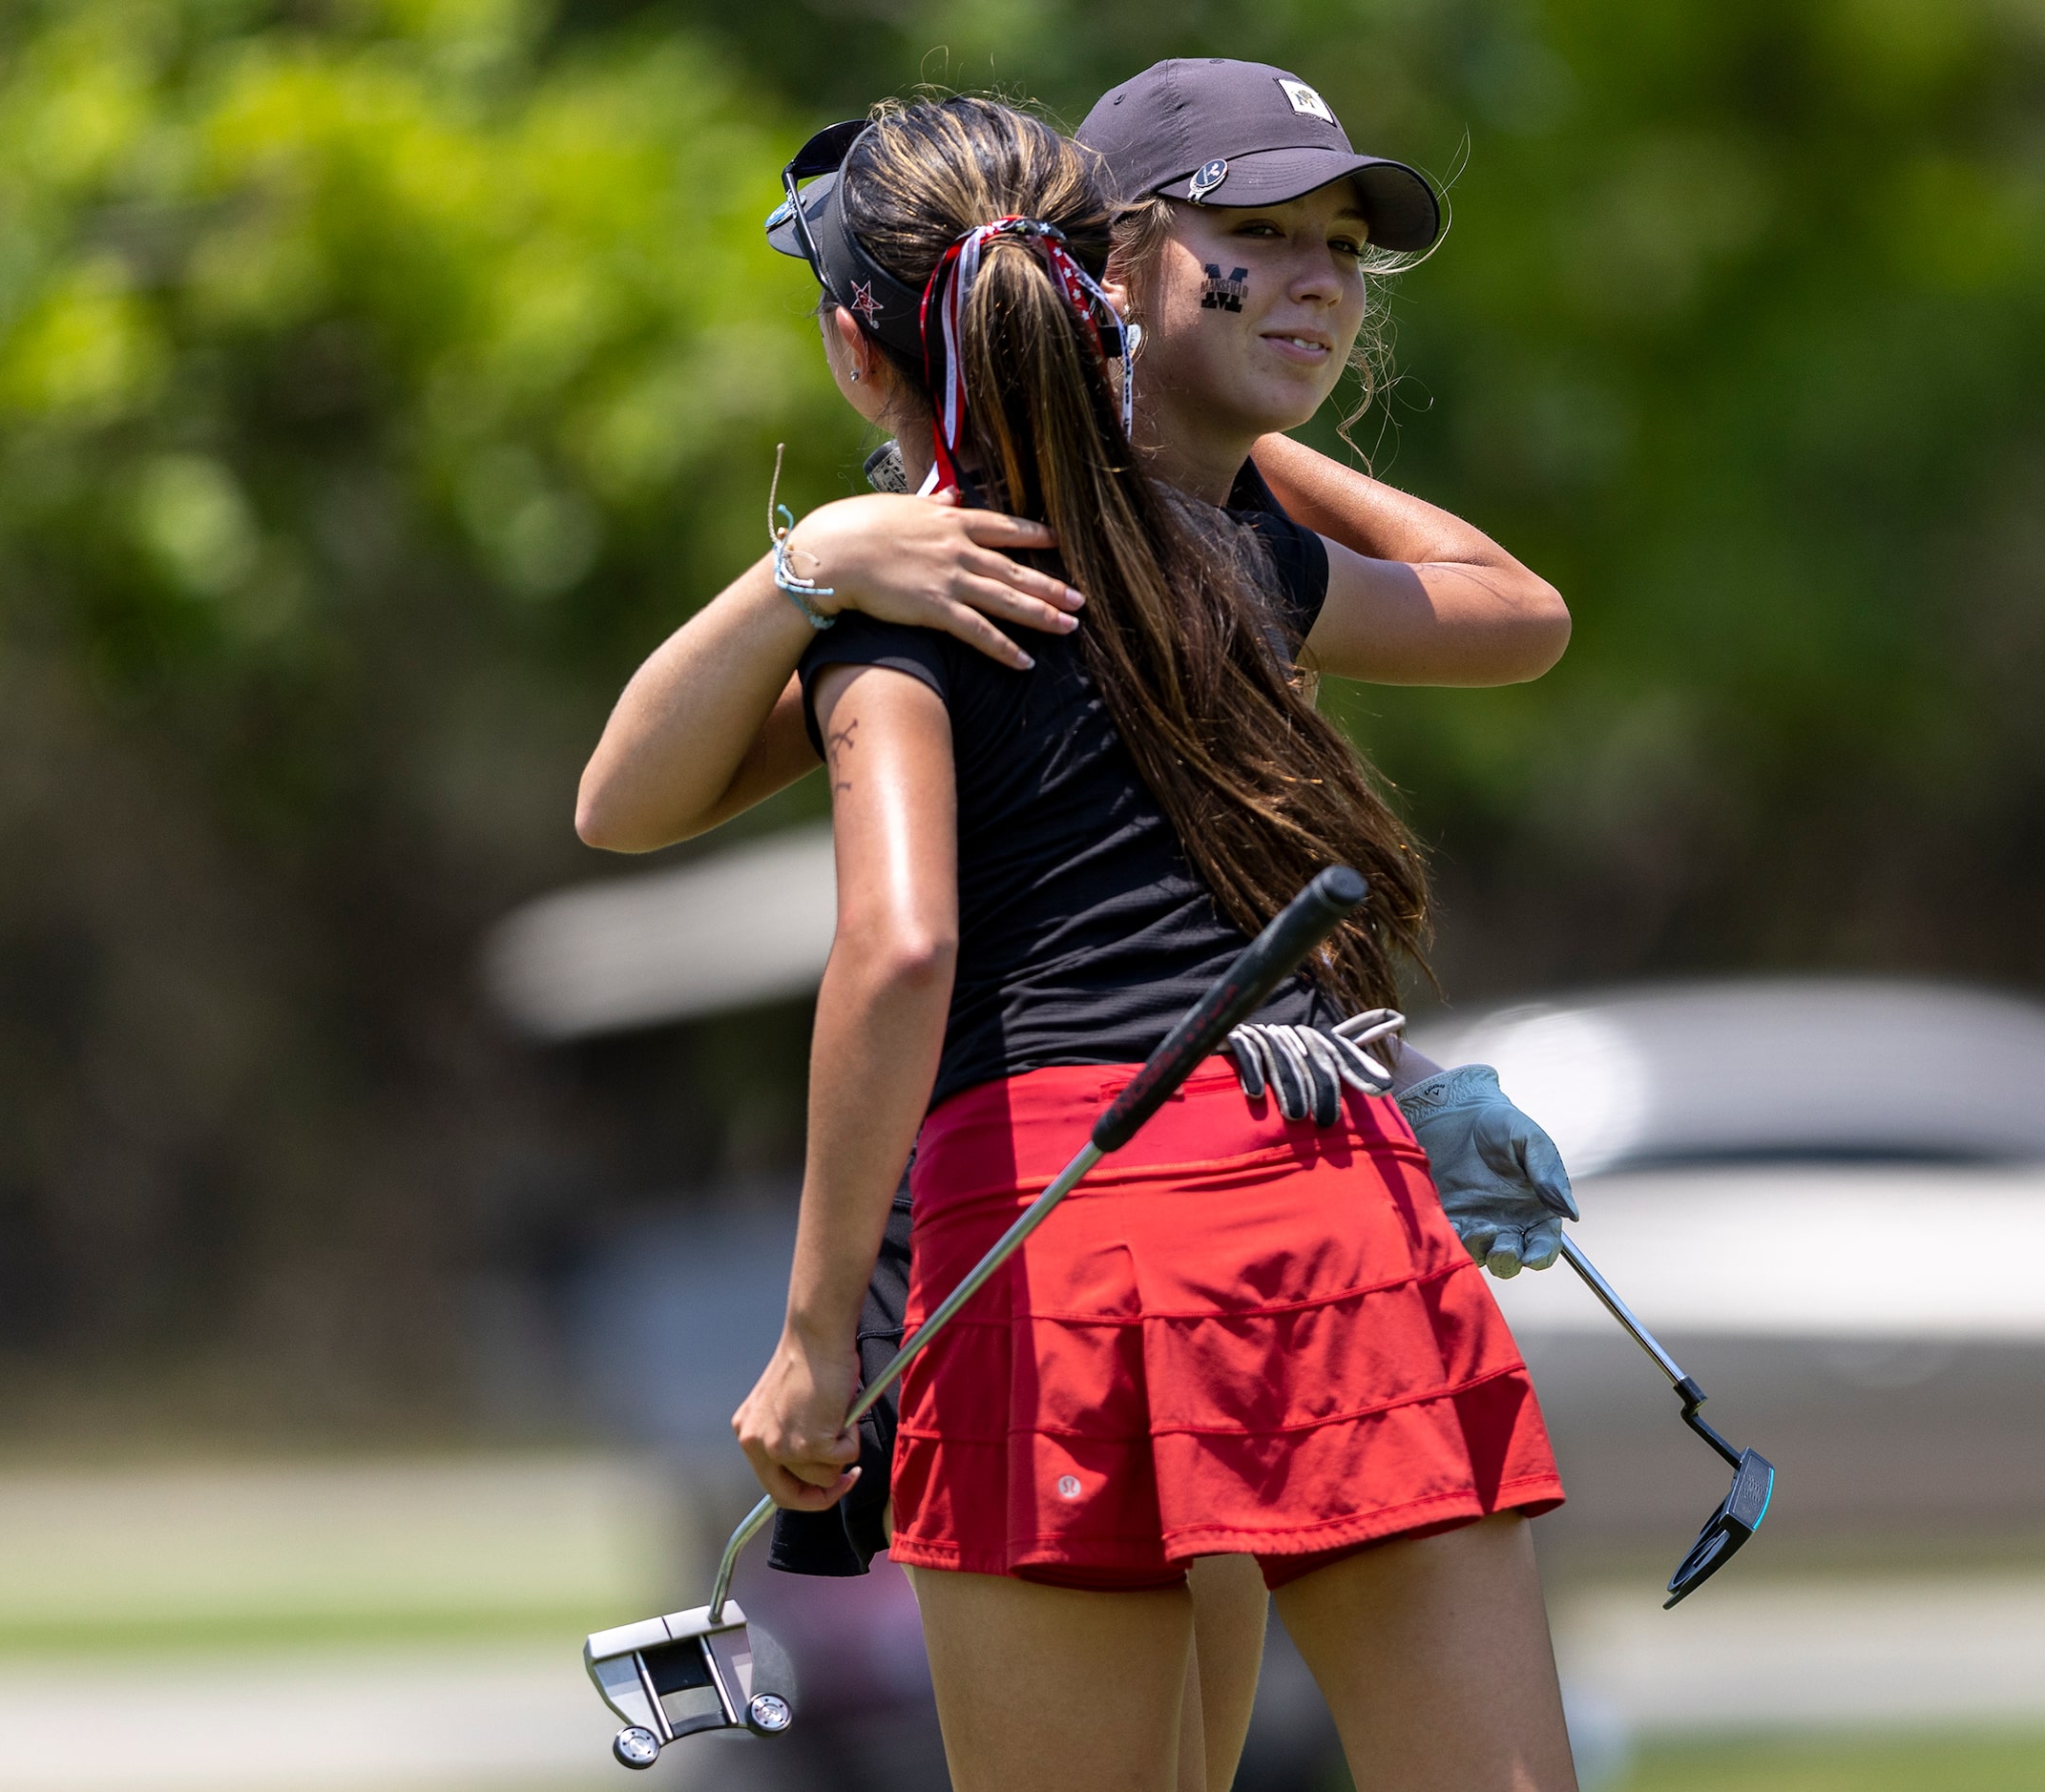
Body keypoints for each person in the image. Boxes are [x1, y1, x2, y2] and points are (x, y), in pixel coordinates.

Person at [578, 62, 1582, 1792]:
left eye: (1332, 244)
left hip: (1051, 1234)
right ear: (1097, 281)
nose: (1310, 280)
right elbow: (1518, 611)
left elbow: (793, 892)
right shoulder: (1233, 563)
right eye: (1254, 241)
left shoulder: (903, 612)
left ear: (853, 347)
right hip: (1317, 1188)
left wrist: (818, 1336)